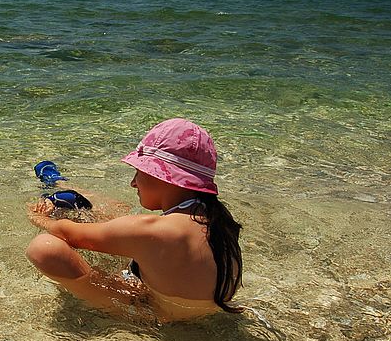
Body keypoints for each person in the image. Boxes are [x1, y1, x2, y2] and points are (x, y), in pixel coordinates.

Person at [26, 118, 243, 322]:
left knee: (44, 248)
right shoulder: (218, 217)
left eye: (138, 172)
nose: (133, 183)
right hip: (193, 306)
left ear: (163, 177)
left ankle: (62, 187)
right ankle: (61, 184)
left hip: (156, 315)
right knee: (123, 216)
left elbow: (66, 233)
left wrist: (39, 217)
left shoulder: (157, 231)